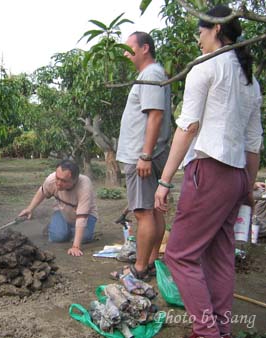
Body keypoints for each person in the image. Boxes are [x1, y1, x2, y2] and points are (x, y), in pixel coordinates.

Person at [154, 5, 262, 338]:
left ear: (215, 30)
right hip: (237, 174)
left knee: (179, 255)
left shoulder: (206, 67)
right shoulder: (250, 80)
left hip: (209, 170)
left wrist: (164, 180)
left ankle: (206, 331)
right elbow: (254, 142)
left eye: (200, 32)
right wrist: (245, 187)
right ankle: (221, 329)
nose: (198, 39)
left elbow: (187, 128)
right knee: (219, 256)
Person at [112, 31, 171, 280]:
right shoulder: (151, 75)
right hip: (149, 154)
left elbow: (155, 114)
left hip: (144, 157)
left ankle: (138, 268)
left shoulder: (151, 75)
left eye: (129, 48)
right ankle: (148, 263)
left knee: (143, 212)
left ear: (144, 48)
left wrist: (145, 155)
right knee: (154, 211)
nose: (125, 54)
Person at [18, 160, 98, 257]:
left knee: (84, 237)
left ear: (74, 180)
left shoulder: (84, 186)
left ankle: (67, 230)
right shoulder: (51, 180)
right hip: (62, 211)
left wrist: (76, 246)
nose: (58, 183)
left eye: (64, 181)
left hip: (86, 215)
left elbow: (81, 218)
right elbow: (42, 192)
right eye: (57, 178)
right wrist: (29, 209)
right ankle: (59, 228)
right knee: (57, 237)